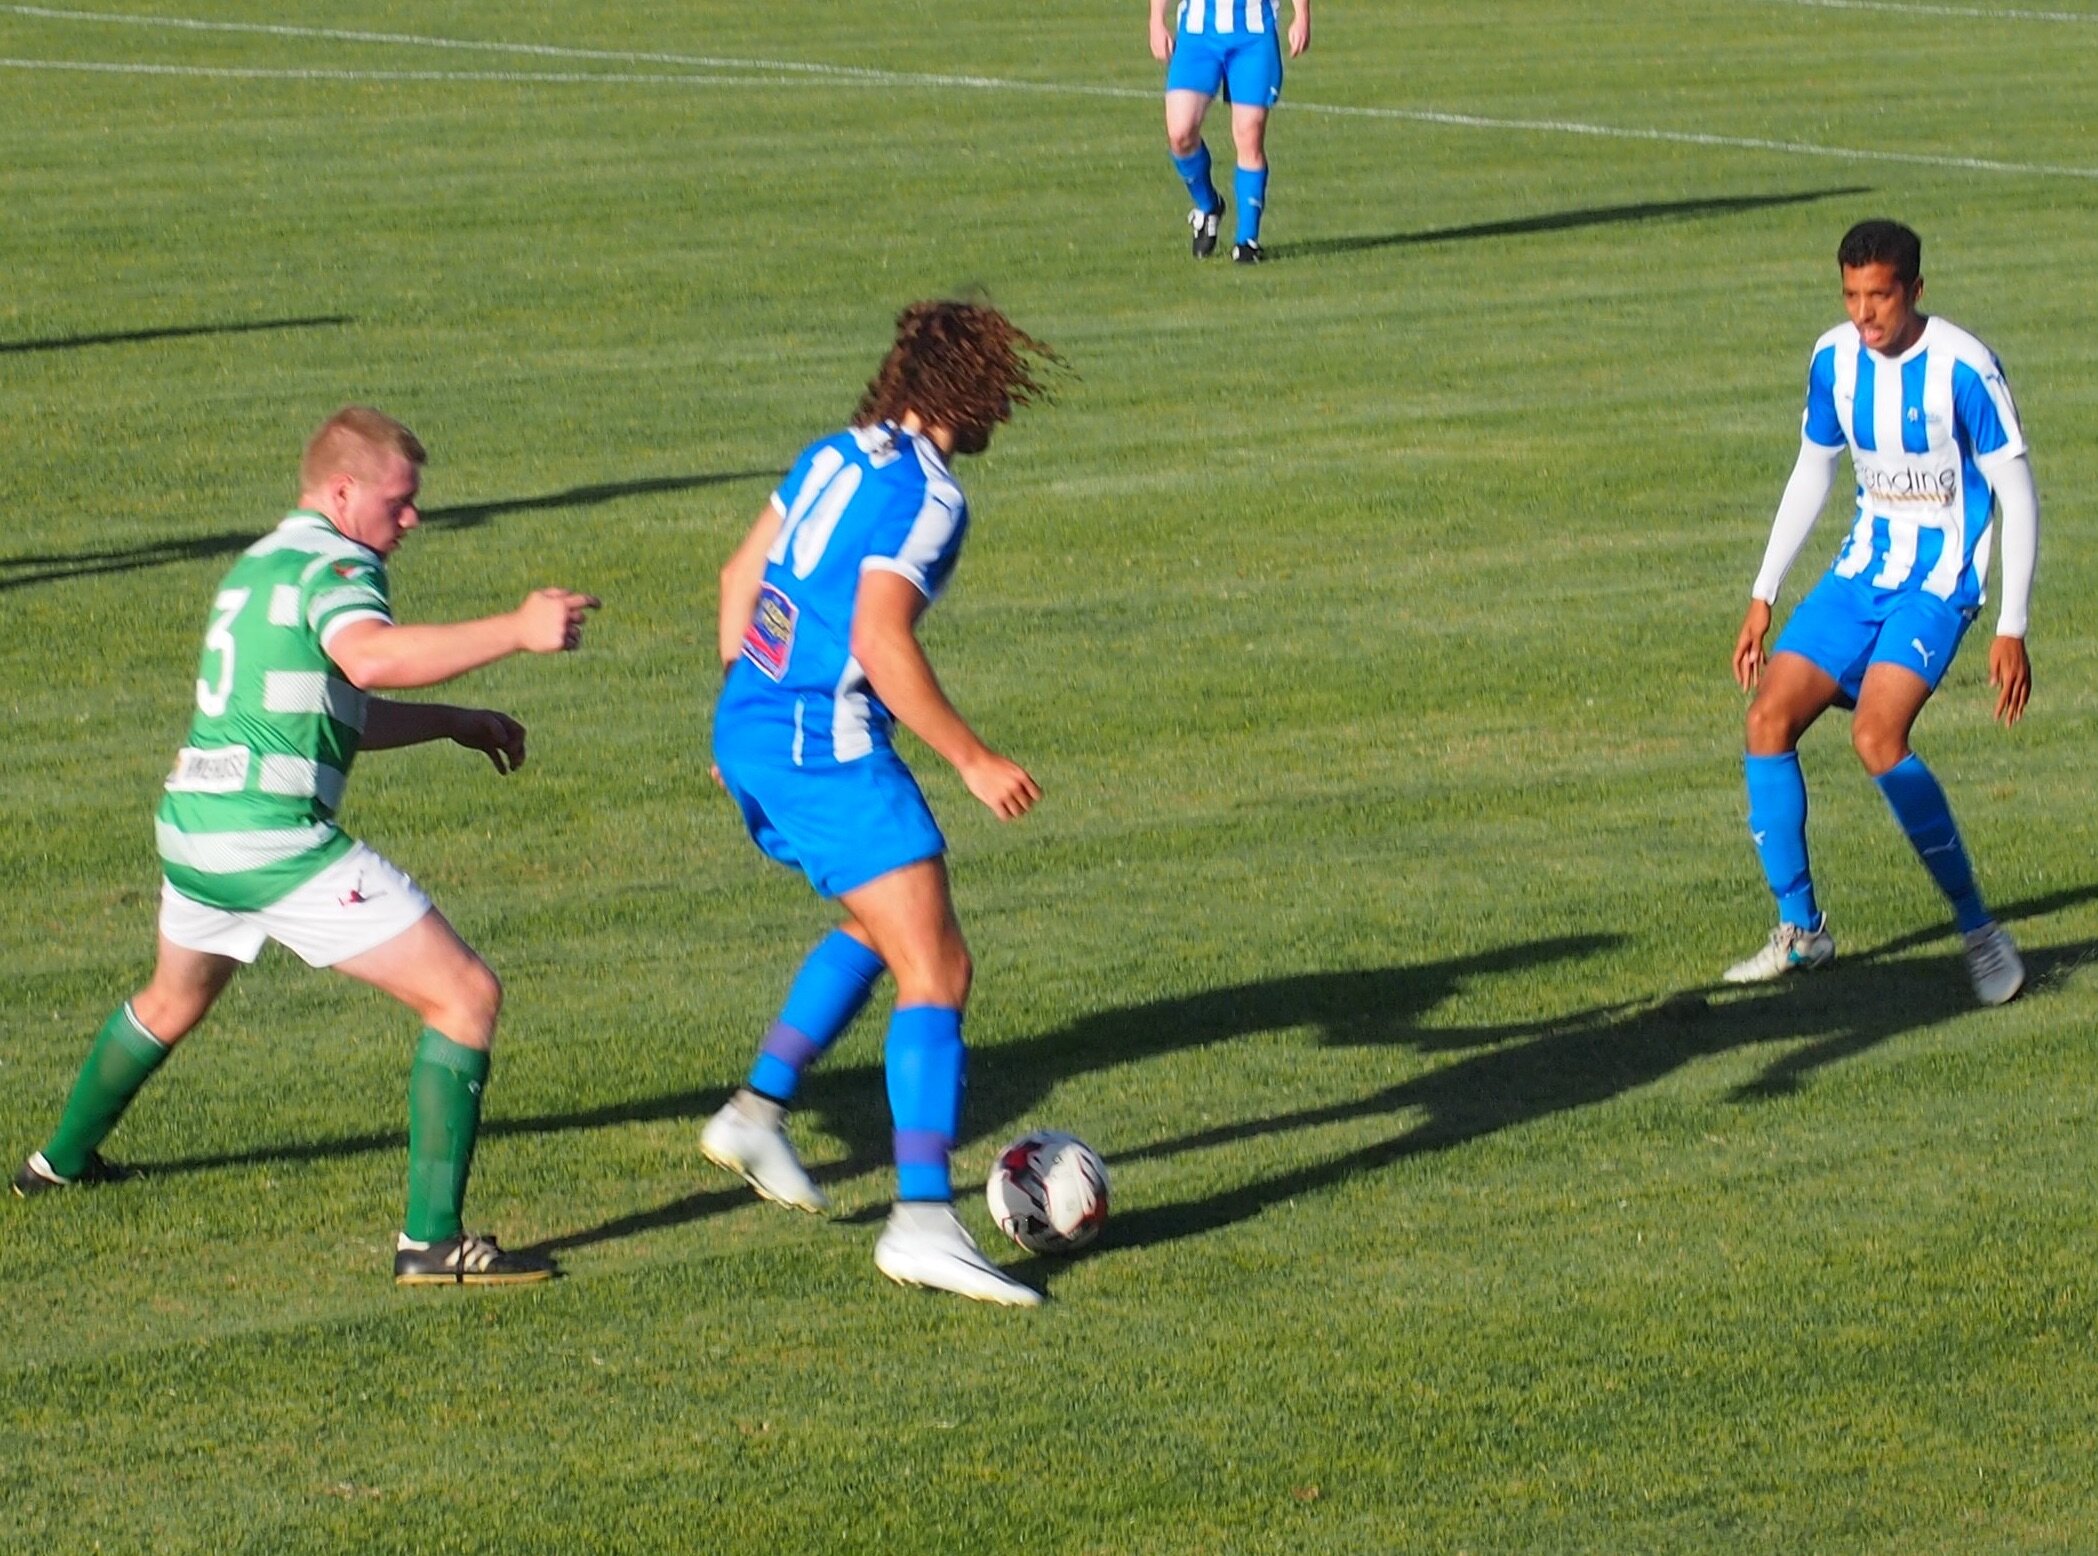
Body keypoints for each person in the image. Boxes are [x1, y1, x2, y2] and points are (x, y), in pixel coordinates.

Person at [13, 407, 600, 1285]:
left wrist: (453, 722)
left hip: (195, 828)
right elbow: (369, 659)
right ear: (341, 491)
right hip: (270, 841)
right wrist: (515, 631)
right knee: (466, 996)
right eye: (398, 504)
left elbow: (328, 705)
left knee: (172, 1000)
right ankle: (431, 1245)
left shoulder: (262, 563)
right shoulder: (339, 562)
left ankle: (54, 1165)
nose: (412, 521)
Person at [702, 300, 1059, 1307]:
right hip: (826, 745)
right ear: (974, 392)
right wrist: (973, 758)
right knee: (937, 965)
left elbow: (739, 574)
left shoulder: (833, 453)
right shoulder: (931, 495)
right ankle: (921, 1221)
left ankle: (756, 1110)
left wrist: (744, 705)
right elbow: (881, 636)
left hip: (757, 725)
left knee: (874, 919)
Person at [1729, 220, 2037, 1004]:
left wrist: (2012, 625)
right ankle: (1802, 933)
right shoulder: (1834, 359)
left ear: (1915, 291)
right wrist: (1763, 593)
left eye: (1881, 296)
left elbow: (2017, 492)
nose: (1866, 314)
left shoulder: (1964, 368)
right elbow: (1813, 471)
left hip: (1938, 584)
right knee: (1767, 720)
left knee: (1876, 736)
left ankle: (1979, 930)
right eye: (1853, 296)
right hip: (1860, 574)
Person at [1150, 0, 1311, 263]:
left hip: (1254, 34)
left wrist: (1302, 16)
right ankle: (1208, 206)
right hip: (1198, 33)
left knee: (1249, 133)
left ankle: (1247, 241)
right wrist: (1156, 21)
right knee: (1180, 134)